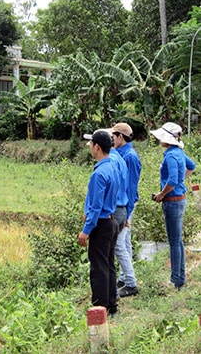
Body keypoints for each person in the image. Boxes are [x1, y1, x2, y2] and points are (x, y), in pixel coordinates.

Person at [78, 129, 120, 315]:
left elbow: (96, 208)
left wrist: (85, 231)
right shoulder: (113, 167)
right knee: (109, 264)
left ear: (97, 147)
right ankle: (111, 305)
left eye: (90, 143)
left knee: (98, 268)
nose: (89, 146)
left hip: (101, 224)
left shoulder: (99, 174)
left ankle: (99, 309)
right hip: (112, 222)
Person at [150, 122, 196, 290]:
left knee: (174, 242)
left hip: (173, 201)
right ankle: (180, 277)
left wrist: (162, 194)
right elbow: (191, 167)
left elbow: (173, 180)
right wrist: (180, 182)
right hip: (180, 199)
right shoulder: (178, 152)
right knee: (178, 241)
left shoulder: (170, 155)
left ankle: (177, 280)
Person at [111, 123, 141, 298]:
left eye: (113, 136)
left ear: (120, 137)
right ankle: (124, 277)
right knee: (125, 242)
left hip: (126, 205)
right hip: (125, 205)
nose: (112, 140)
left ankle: (131, 282)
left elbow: (129, 187)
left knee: (118, 244)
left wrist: (127, 213)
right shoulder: (122, 153)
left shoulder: (129, 156)